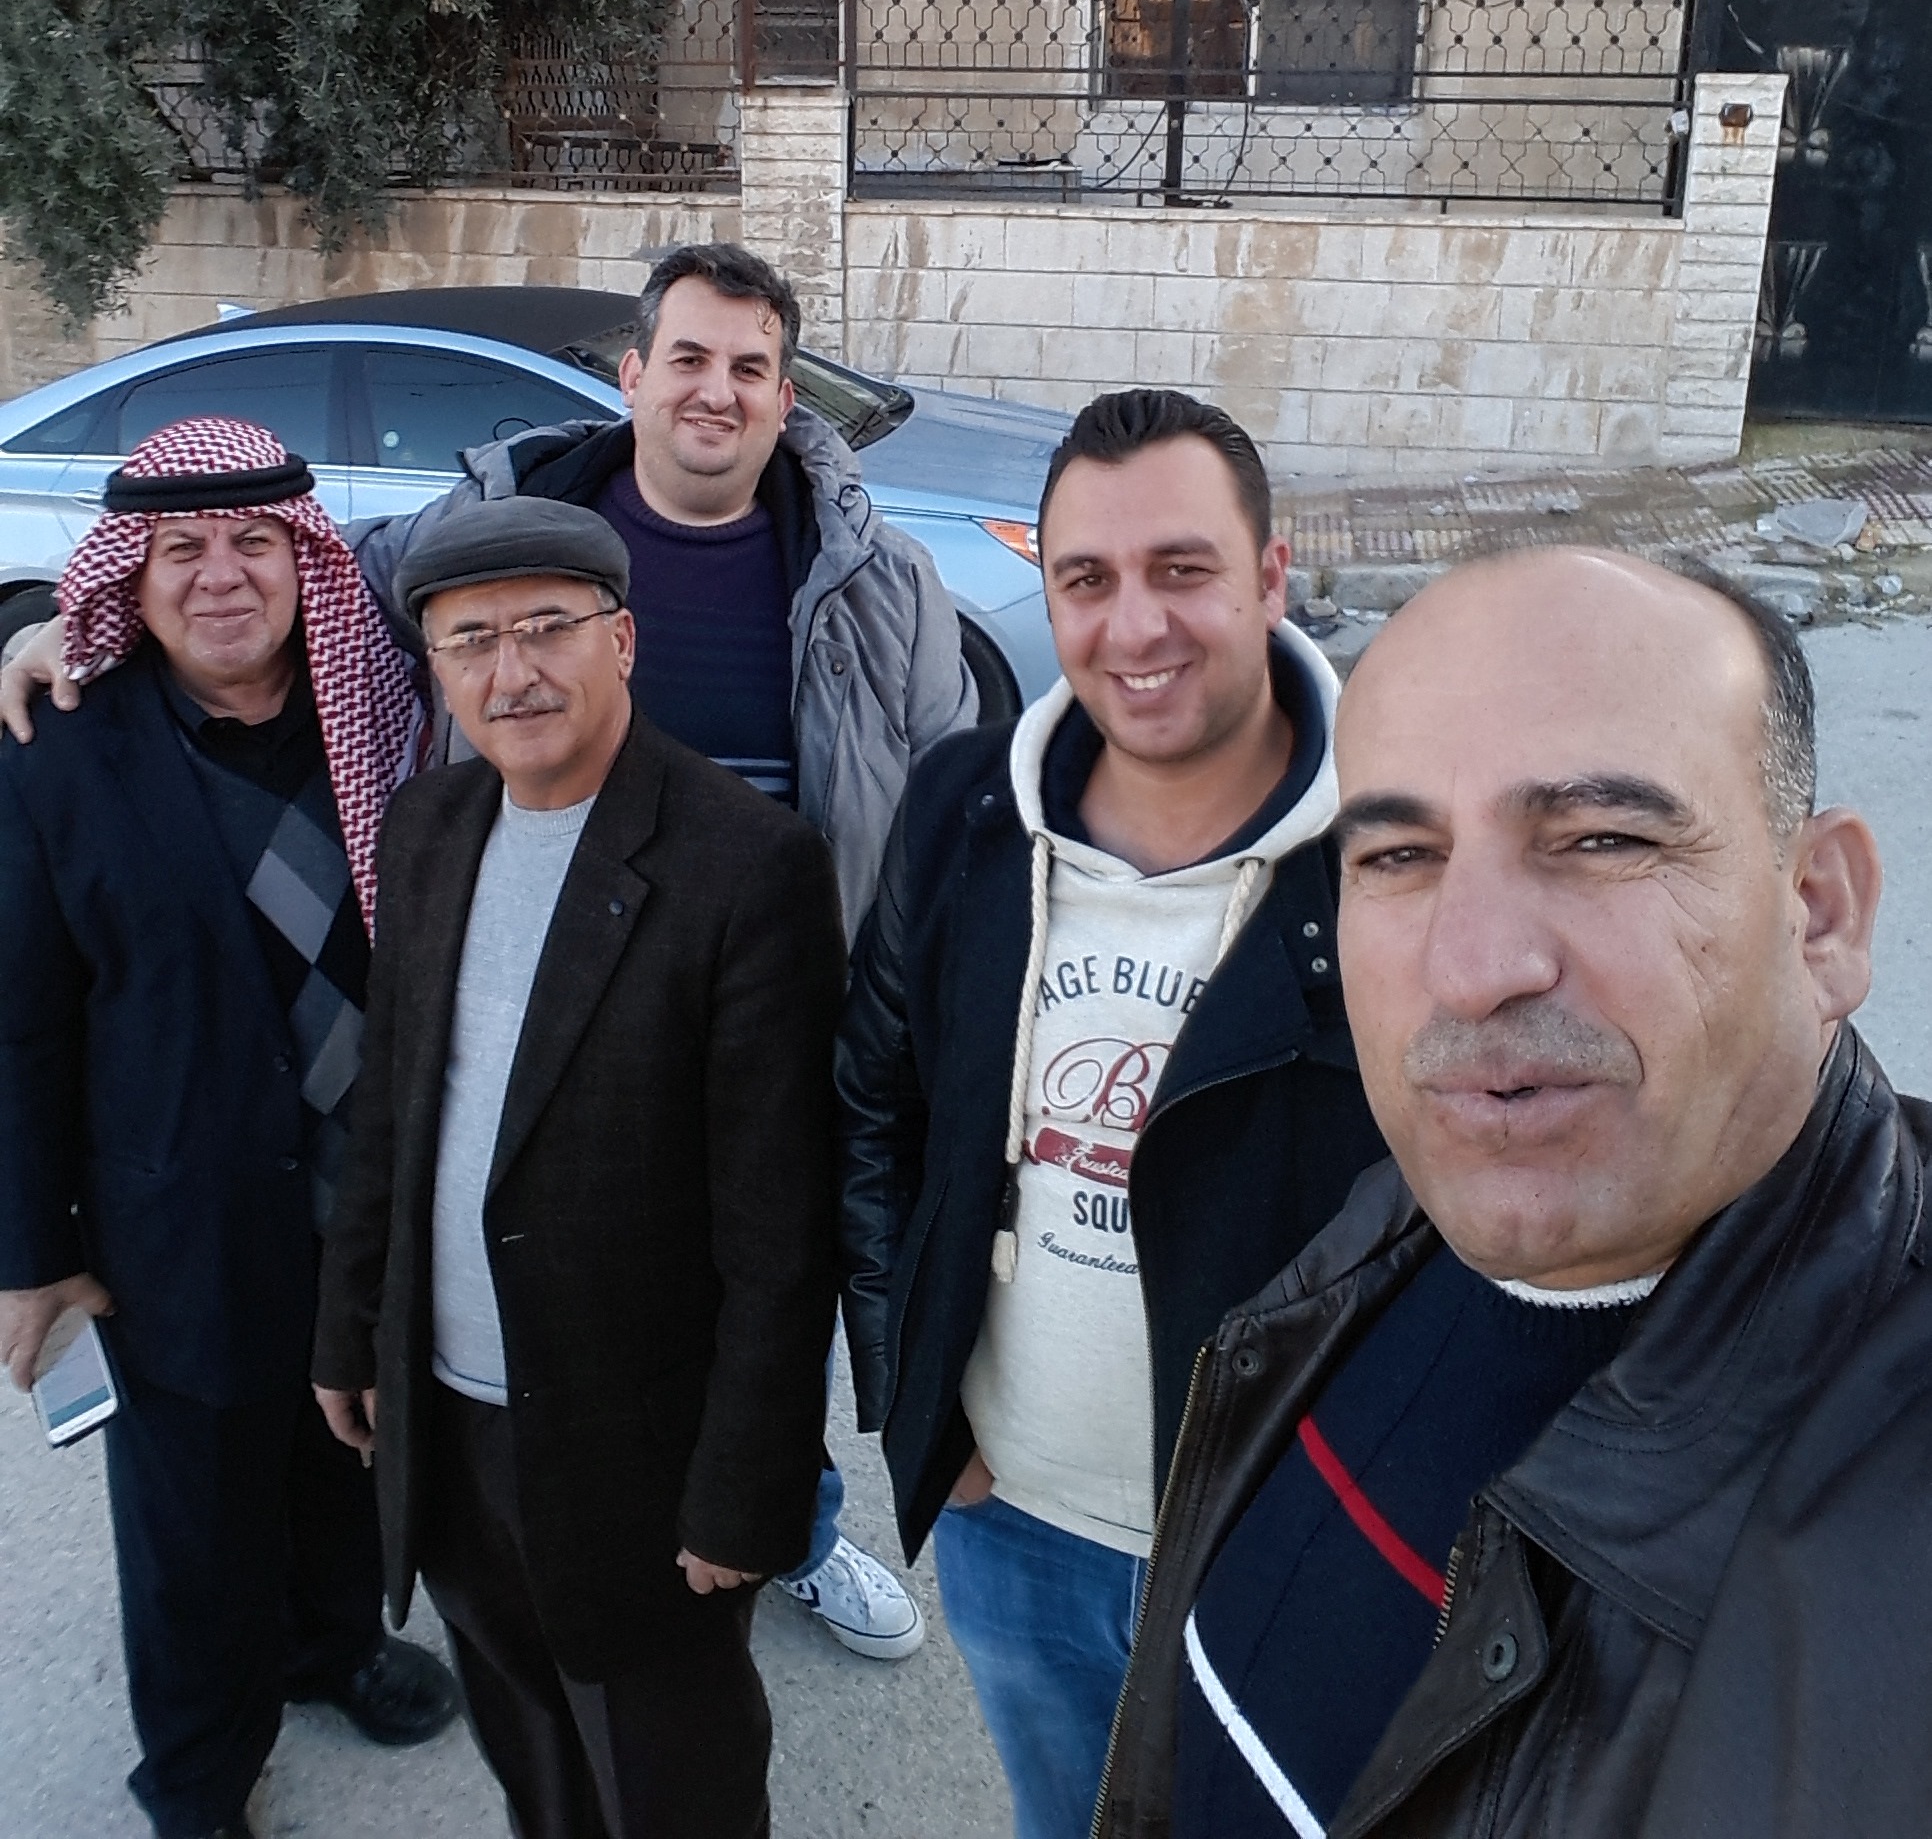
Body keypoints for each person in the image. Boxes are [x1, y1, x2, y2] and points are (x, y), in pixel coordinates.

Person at [4, 241, 964, 1659]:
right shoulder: (498, 514)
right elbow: (277, 606)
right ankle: (547, 1530)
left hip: (773, 1011)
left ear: (783, 395)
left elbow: (939, 810)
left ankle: (788, 1526)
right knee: (546, 1281)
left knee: (774, 1278)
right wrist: (58, 641)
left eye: (750, 367)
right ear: (632, 375)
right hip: (531, 1007)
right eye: (688, 358)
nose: (715, 391)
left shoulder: (880, 581)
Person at [1098, 548, 1932, 1839]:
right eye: (1399, 855)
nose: (1473, 966)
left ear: (1819, 914)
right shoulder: (1368, 1236)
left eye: (1603, 839)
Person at [837, 389, 1387, 1839]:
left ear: (1270, 577)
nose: (1133, 626)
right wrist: (917, 1407)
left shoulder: (1400, 848)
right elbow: (875, 1111)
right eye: (1086, 579)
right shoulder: (961, 810)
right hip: (1016, 1524)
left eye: (1182, 570)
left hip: (1287, 1546)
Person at [312, 493, 848, 1839]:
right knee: (533, 1762)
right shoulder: (429, 827)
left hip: (635, 1462)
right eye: (470, 641)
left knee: (673, 1787)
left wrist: (748, 1491)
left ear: (622, 639)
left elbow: (780, 1234)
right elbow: (392, 1112)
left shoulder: (748, 867)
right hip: (447, 1425)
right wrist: (349, 1331)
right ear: (438, 671)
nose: (513, 673)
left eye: (546, 628)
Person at [0, 416, 457, 1839]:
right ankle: (197, 1774)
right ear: (127, 578)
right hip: (174, 1219)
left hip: (364, 1195)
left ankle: (330, 1648)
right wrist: (33, 1252)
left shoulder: (389, 709)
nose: (221, 576)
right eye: (181, 548)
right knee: (192, 1519)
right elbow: (19, 1020)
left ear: (305, 556)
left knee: (345, 1442)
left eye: (256, 541)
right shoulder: (54, 749)